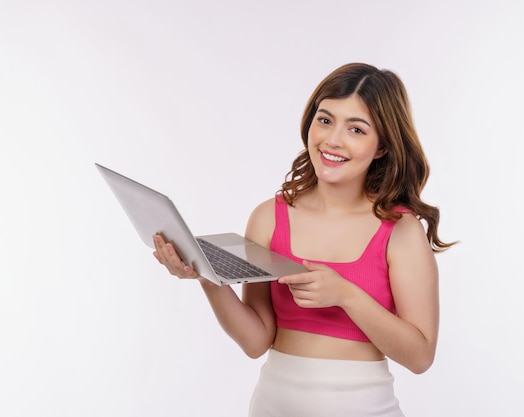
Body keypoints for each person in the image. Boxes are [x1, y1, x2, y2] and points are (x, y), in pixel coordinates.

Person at [152, 62, 455, 417]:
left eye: (356, 129)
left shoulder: (400, 231)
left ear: (381, 148)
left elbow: (420, 357)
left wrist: (346, 295)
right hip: (272, 405)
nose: (333, 140)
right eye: (325, 120)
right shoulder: (269, 216)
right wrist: (206, 275)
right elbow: (256, 341)